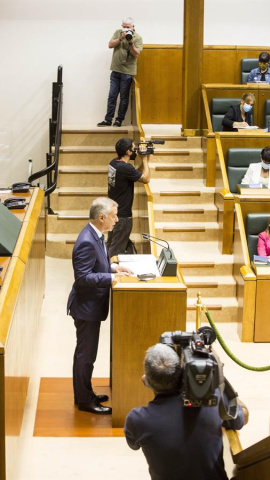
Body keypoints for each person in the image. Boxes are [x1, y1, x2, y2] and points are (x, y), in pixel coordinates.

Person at [124, 344, 249, 480]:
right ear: (182, 373)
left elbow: (133, 445)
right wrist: (218, 377)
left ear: (146, 380)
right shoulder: (212, 399)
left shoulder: (136, 420)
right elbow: (243, 417)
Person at [67, 197, 132, 414]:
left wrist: (114, 269)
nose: (116, 220)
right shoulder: (86, 240)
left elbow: (99, 264)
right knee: (85, 355)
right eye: (113, 216)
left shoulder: (97, 235)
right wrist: (111, 279)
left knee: (88, 354)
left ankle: (86, 393)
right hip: (86, 308)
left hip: (92, 305)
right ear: (101, 217)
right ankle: (85, 400)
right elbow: (83, 278)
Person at [107, 137, 150, 258]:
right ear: (127, 152)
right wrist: (145, 161)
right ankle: (110, 274)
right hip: (122, 217)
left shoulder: (114, 163)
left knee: (111, 246)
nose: (135, 150)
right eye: (133, 148)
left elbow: (136, 175)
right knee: (116, 252)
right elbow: (146, 179)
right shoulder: (125, 168)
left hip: (113, 213)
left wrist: (144, 161)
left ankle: (105, 270)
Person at [97, 18, 143, 127]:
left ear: (133, 27)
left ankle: (119, 120)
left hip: (127, 72)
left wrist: (130, 42)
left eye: (128, 27)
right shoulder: (118, 32)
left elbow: (137, 54)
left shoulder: (138, 38)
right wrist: (120, 38)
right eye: (124, 26)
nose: (125, 29)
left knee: (123, 97)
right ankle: (108, 120)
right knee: (112, 96)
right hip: (115, 70)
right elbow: (110, 45)